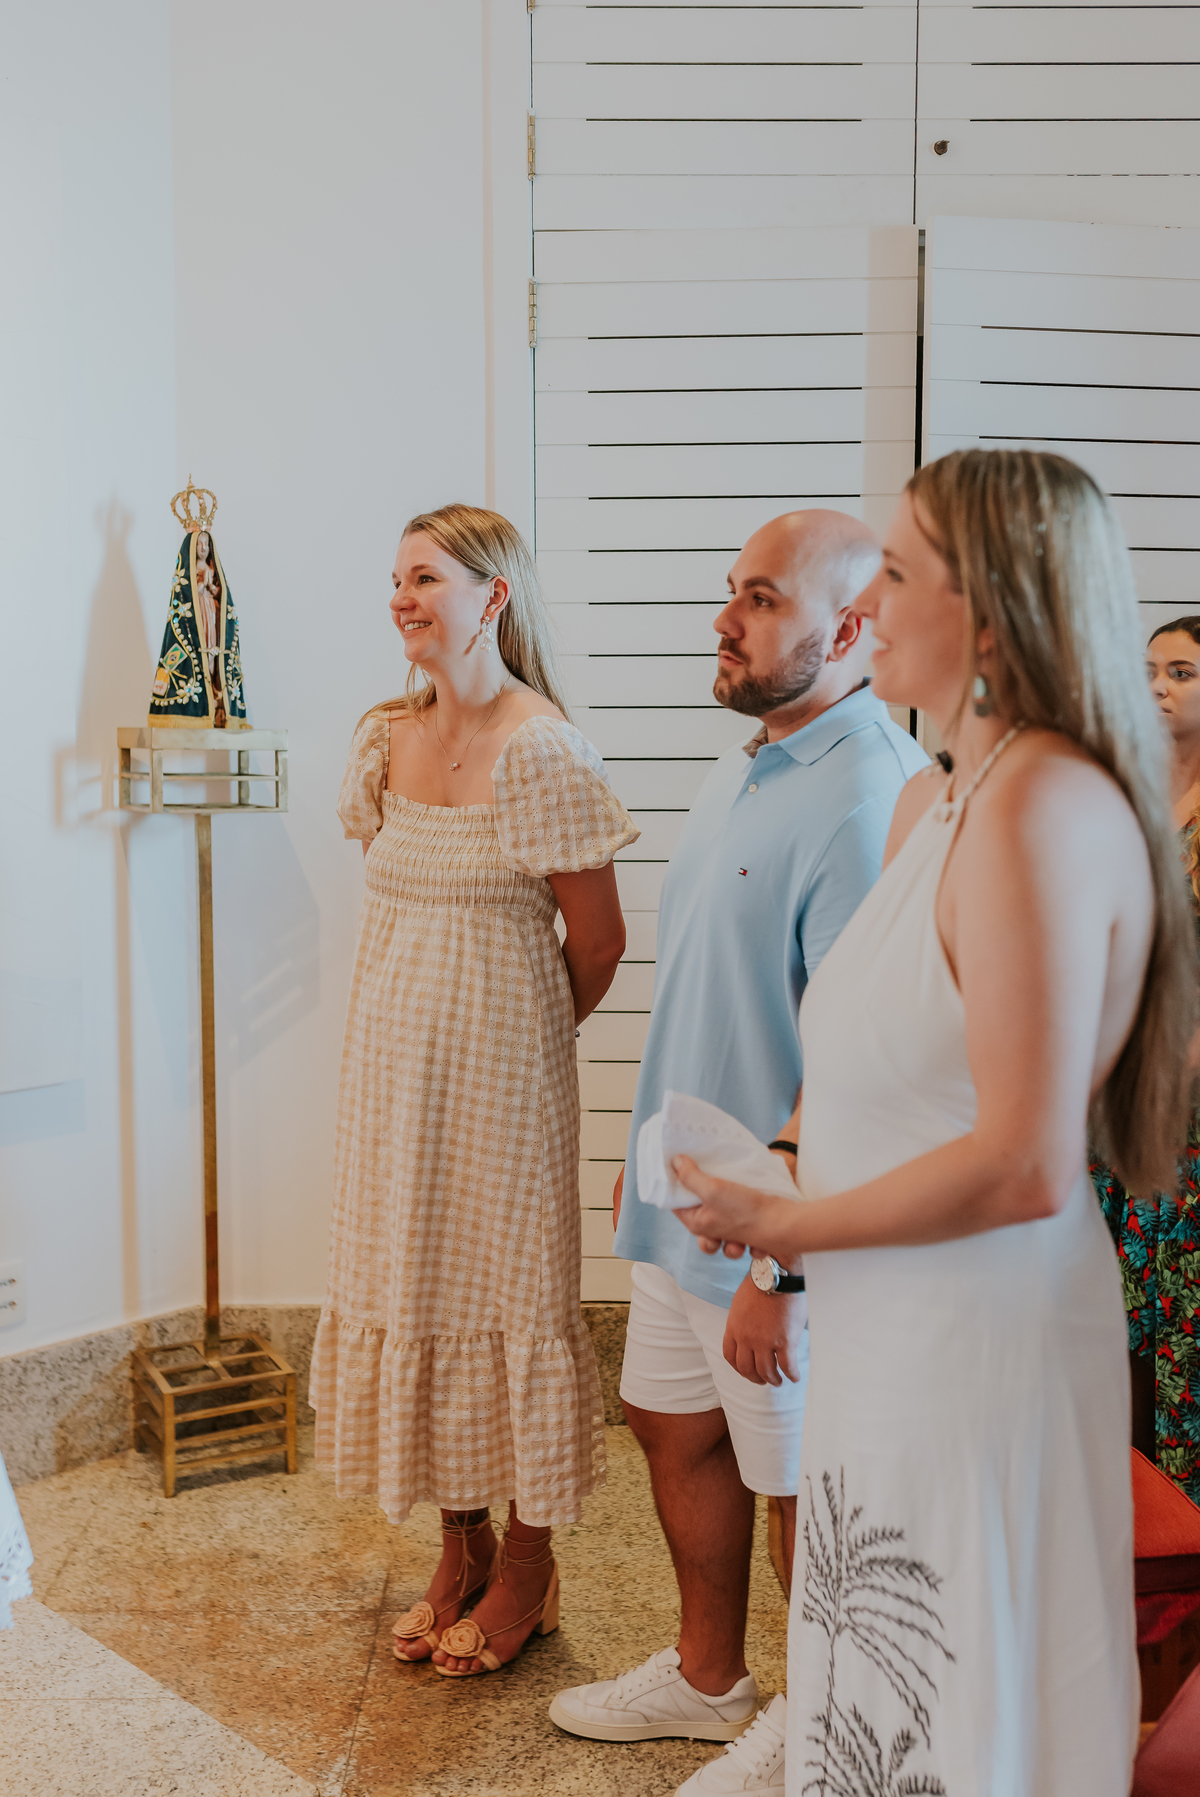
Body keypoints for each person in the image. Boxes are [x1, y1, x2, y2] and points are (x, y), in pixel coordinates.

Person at [665, 449, 1196, 1794]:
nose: (871, 608)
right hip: (890, 1324)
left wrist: (785, 1226)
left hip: (980, 1331)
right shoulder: (934, 795)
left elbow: (1022, 1162)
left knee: (960, 1691)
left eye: (897, 573)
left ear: (999, 606)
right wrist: (782, 1179)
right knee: (881, 1673)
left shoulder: (1046, 806)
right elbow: (861, 1068)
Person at [550, 510, 927, 1794]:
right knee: (668, 1423)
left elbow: (864, 1055)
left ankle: (822, 1726)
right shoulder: (752, 758)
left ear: (852, 629)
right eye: (732, 593)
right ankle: (711, 1682)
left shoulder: (874, 790)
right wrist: (654, 1145)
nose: (726, 621)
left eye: (760, 600)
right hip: (688, 1198)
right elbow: (716, 987)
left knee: (799, 1491)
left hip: (776, 1232)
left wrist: (787, 1268)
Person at [309, 503, 638, 1678]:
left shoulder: (542, 746)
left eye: (426, 579)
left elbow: (595, 944)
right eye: (394, 579)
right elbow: (402, 920)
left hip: (508, 1088)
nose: (402, 598)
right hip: (390, 1085)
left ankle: (533, 1566)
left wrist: (516, 1045)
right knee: (416, 1286)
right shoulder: (380, 738)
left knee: (513, 1304)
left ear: (491, 597)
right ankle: (463, 1547)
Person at [1092, 616, 1200, 1500]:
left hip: (1184, 1110)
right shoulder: (1120, 795)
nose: (1160, 684)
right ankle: (1119, 1518)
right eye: (1152, 669)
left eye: (1184, 671)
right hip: (1102, 1097)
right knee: (1107, 1317)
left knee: (1177, 1332)